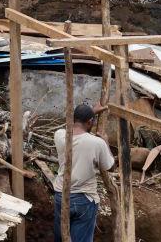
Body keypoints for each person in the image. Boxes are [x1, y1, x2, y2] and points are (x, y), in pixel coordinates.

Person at [53, 103, 113, 242]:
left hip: (61, 195)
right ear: (90, 122)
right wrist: (106, 142)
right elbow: (110, 167)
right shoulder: (97, 143)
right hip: (84, 199)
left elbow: (71, 126)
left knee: (61, 237)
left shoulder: (60, 136)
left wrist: (91, 112)